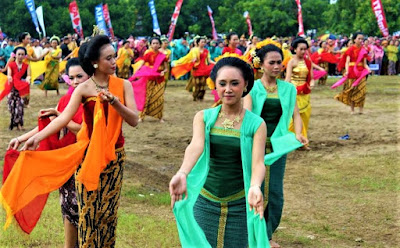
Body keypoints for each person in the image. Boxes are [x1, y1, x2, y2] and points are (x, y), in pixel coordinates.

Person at [0, 34, 139, 248]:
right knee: (88, 213)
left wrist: (116, 103)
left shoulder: (124, 85)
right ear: (95, 62)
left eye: (114, 57)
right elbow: (63, 118)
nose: (114, 62)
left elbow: (134, 121)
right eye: (108, 58)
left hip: (114, 158)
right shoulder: (84, 89)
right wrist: (36, 138)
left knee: (108, 215)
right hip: (87, 156)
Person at [169, 57, 268, 248]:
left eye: (234, 83)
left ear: (245, 84)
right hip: (206, 200)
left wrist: (255, 186)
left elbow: (257, 162)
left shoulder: (256, 124)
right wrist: (182, 172)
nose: (228, 89)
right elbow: (196, 146)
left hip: (240, 202)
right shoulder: (204, 117)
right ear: (215, 85)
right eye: (222, 84)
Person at [7, 58, 88, 248]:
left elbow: (82, 131)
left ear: (90, 75)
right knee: (68, 208)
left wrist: (62, 118)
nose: (76, 81)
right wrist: (22, 139)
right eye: (72, 77)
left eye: (80, 76)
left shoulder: (92, 103)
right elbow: (50, 125)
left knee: (85, 211)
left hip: (86, 161)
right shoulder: (66, 100)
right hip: (65, 163)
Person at [244, 44, 307, 248]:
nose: (277, 66)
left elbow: (296, 114)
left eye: (280, 62)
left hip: (278, 147)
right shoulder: (251, 88)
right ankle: (259, 234)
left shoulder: (288, 89)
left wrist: (298, 134)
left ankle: (268, 233)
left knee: (276, 193)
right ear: (261, 65)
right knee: (255, 188)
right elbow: (247, 119)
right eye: (272, 62)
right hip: (255, 146)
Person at [285, 38, 315, 148]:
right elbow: (288, 79)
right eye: (301, 49)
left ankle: (303, 142)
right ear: (295, 49)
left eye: (305, 49)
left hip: (305, 93)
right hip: (294, 93)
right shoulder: (291, 62)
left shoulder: (308, 62)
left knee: (305, 118)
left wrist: (312, 83)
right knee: (293, 120)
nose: (303, 51)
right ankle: (290, 141)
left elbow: (311, 77)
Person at [131, 37, 168, 123]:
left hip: (159, 79)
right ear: (150, 45)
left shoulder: (163, 56)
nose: (155, 45)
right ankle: (141, 116)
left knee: (159, 98)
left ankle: (160, 117)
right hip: (150, 78)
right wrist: (136, 74)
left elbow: (166, 68)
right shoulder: (148, 54)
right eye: (153, 43)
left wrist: (163, 72)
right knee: (147, 97)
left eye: (157, 43)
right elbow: (141, 65)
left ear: (160, 44)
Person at [334, 32, 371, 114]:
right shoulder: (350, 50)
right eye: (359, 38)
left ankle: (361, 110)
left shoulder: (363, 50)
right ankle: (352, 109)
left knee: (362, 90)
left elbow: (365, 63)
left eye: (362, 39)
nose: (361, 40)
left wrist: (368, 69)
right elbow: (347, 62)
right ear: (354, 40)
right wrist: (346, 71)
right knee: (352, 90)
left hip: (361, 72)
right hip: (352, 72)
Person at [1, 47, 31, 130]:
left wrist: (28, 78)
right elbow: (9, 74)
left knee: (19, 106)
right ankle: (13, 123)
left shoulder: (26, 66)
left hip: (21, 88)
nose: (20, 56)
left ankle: (19, 125)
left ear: (25, 56)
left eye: (22, 54)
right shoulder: (11, 65)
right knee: (11, 107)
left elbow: (28, 75)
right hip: (11, 87)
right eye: (19, 54)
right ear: (15, 55)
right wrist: (9, 77)